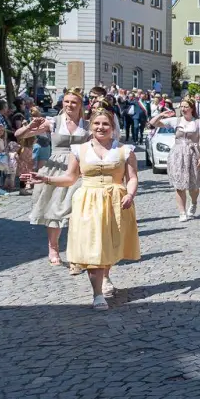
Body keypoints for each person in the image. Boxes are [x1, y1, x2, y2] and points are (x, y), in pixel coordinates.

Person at [24, 107, 139, 310]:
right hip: (88, 201)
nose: (101, 127)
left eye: (105, 124)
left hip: (115, 201)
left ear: (112, 127)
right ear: (91, 126)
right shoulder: (79, 150)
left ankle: (106, 277)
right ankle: (97, 294)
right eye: (97, 124)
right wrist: (45, 178)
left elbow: (132, 178)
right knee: (92, 246)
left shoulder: (124, 150)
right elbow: (70, 178)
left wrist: (129, 194)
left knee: (110, 245)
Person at [22, 91, 89, 266]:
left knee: (78, 210)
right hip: (56, 167)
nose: (69, 105)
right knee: (54, 208)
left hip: (80, 168)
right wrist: (30, 126)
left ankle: (78, 250)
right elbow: (20, 135)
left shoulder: (87, 125)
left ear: (80, 104)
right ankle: (53, 248)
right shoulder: (54, 122)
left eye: (73, 102)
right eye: (66, 101)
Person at [155, 99, 200, 220]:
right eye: (181, 106)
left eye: (186, 106)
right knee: (179, 184)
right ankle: (182, 212)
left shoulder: (198, 123)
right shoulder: (176, 121)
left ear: (192, 108)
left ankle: (193, 202)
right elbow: (153, 123)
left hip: (193, 154)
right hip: (177, 154)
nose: (183, 109)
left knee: (193, 186)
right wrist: (161, 114)